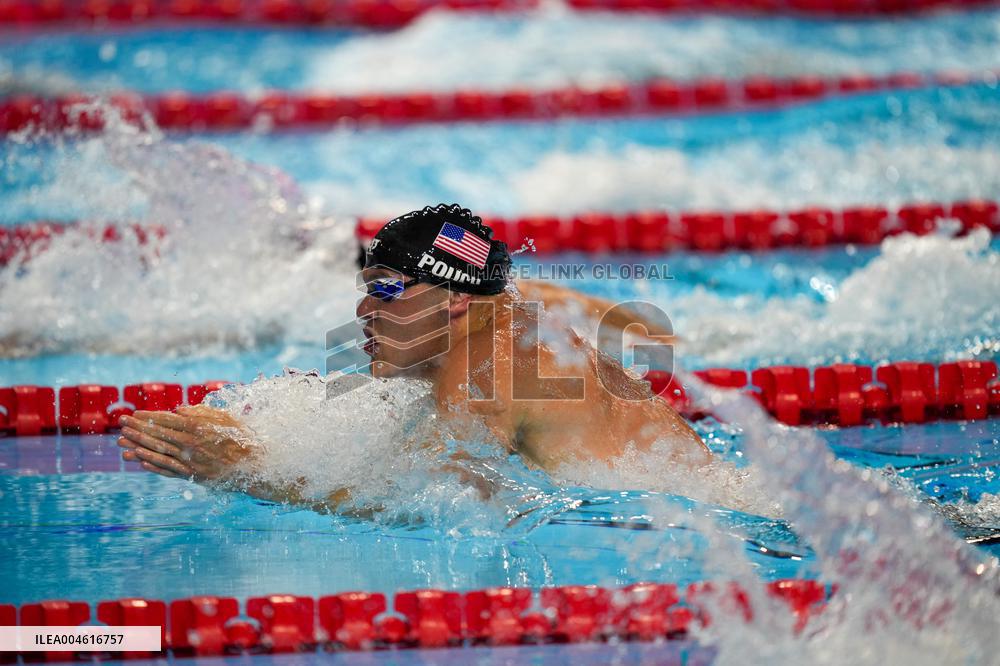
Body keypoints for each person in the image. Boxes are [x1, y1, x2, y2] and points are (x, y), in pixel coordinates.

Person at [118, 204, 709, 511]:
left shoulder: (488, 369)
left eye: (384, 290)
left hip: (660, 531)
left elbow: (439, 508)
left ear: (454, 299)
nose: (362, 311)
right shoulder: (507, 327)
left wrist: (247, 469)